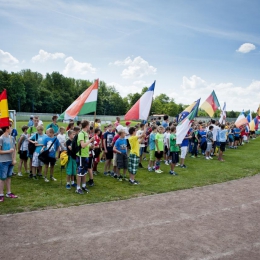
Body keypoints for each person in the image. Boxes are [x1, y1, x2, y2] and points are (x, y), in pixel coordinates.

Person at [75, 120, 95, 194]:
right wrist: (90, 141)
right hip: (81, 155)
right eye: (89, 125)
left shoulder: (86, 133)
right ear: (86, 126)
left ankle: (83, 185)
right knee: (80, 172)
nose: (89, 126)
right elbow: (83, 145)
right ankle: (78, 188)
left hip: (86, 155)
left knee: (84, 172)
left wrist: (91, 146)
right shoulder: (81, 134)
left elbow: (86, 145)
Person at [0, 125, 17, 202]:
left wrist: (14, 159)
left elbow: (14, 149)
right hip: (3, 161)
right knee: (2, 178)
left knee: (9, 177)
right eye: (10, 128)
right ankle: (1, 194)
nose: (11, 129)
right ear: (7, 129)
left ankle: (8, 192)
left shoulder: (12, 138)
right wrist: (8, 151)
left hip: (10, 161)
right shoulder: (1, 138)